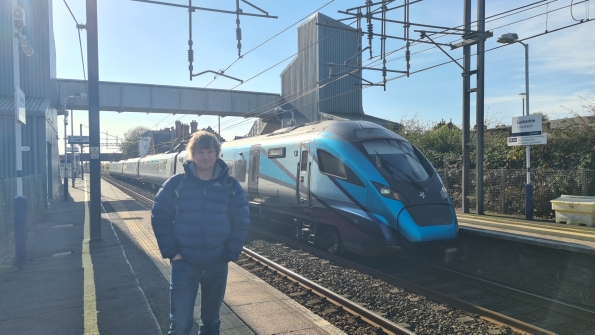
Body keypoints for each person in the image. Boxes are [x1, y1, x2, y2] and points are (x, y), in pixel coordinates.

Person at [151, 131, 250, 335]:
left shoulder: (230, 185)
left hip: (217, 264)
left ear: (217, 154)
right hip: (184, 264)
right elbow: (159, 216)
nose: (206, 156)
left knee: (211, 323)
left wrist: (229, 254)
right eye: (201, 152)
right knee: (179, 324)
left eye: (210, 151)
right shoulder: (176, 183)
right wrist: (173, 253)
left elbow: (242, 221)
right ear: (192, 155)